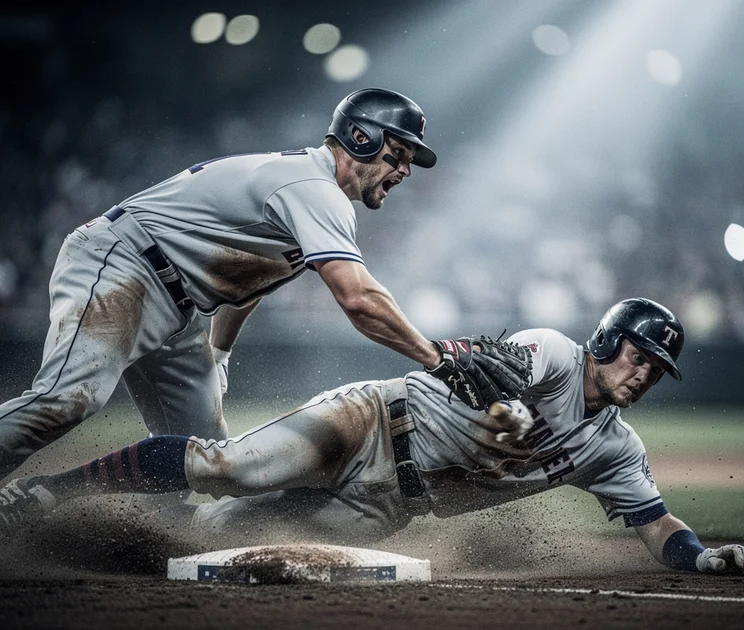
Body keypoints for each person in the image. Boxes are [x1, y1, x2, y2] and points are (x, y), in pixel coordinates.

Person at [0, 298, 744, 577]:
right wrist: (493, 375)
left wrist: (701, 555)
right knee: (224, 469)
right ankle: (45, 492)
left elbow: (654, 525)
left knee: (212, 544)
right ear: (604, 341)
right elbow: (495, 356)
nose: (646, 373)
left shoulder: (614, 449)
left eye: (659, 369)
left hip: (388, 509)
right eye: (639, 355)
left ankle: (103, 541)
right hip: (368, 424)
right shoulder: (557, 356)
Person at [0, 88, 488, 481]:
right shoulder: (315, 191)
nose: (403, 170)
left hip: (179, 303)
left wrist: (221, 353)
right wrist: (437, 357)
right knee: (67, 400)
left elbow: (247, 283)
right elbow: (359, 299)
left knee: (200, 456)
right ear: (360, 137)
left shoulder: (316, 197)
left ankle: (115, 536)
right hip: (125, 260)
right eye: (398, 153)